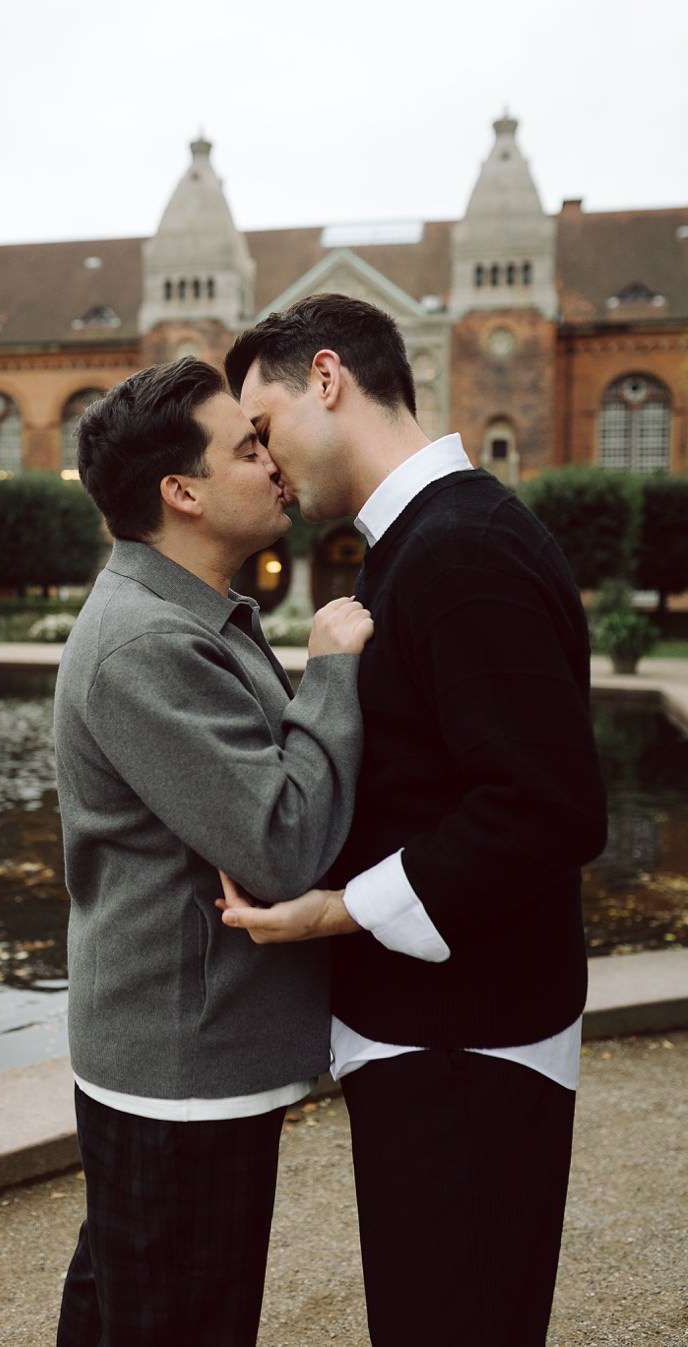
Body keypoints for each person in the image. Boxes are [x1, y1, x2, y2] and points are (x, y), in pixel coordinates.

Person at [220, 292, 608, 1346]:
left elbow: (547, 806)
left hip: (466, 1045)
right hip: (446, 1039)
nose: (266, 464)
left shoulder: (461, 548)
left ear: (329, 378)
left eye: (264, 427)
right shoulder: (428, 539)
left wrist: (338, 909)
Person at [52, 355, 373, 1344]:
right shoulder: (147, 641)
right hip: (180, 1072)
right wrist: (330, 674)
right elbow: (282, 843)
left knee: (124, 1311)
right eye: (245, 448)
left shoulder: (189, 612)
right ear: (181, 493)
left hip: (183, 1057)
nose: (272, 461)